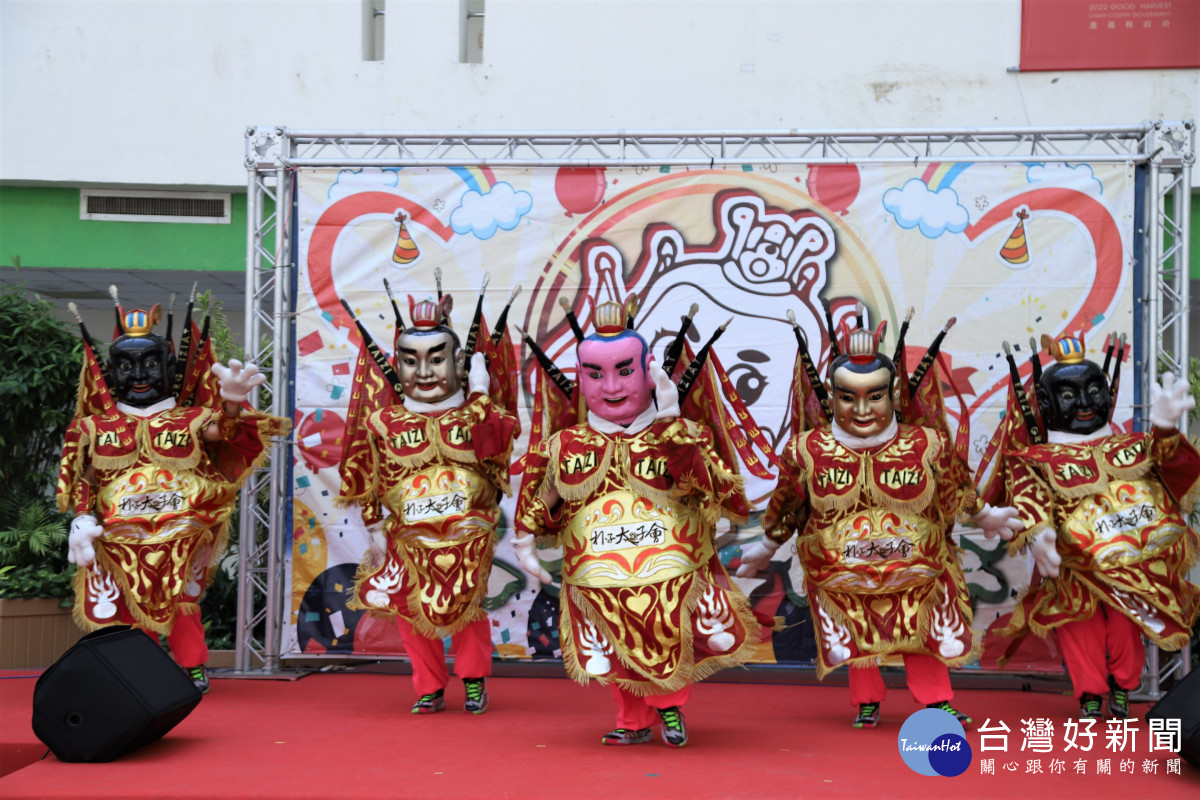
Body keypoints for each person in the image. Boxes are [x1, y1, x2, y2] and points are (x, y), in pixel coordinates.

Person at [740, 318, 1021, 728]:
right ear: (831, 397)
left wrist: (986, 515)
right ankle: (867, 701)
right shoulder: (809, 449)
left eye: (874, 396)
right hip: (844, 567)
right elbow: (789, 505)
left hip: (915, 565)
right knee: (856, 627)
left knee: (921, 629)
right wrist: (765, 547)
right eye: (847, 398)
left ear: (892, 394)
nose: (862, 410)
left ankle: (936, 700)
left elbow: (956, 489)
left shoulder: (925, 443)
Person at [512, 299, 762, 748]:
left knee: (667, 636)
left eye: (625, 371)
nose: (611, 386)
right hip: (598, 575)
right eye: (595, 373)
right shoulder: (568, 443)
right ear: (579, 375)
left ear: (650, 372)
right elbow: (546, 493)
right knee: (613, 648)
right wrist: (525, 540)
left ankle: (669, 710)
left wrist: (670, 423)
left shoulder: (680, 434)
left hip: (668, 572)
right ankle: (631, 720)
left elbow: (712, 487)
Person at [58, 300, 286, 693]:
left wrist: (231, 402)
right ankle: (141, 674)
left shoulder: (191, 418)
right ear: (111, 372)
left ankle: (193, 666)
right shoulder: (94, 427)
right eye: (126, 367)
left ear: (170, 367)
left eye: (150, 363)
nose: (139, 376)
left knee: (181, 604)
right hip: (120, 536)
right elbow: (86, 478)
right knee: (129, 605)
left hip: (181, 532)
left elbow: (226, 433)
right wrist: (81, 517)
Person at [996, 333, 1199, 718]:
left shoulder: (1136, 444)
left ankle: (1122, 686)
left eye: (1094, 389)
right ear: (1045, 403)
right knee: (1078, 624)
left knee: (1125, 625)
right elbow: (1027, 496)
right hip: (1074, 564)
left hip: (1129, 563)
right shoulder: (1034, 457)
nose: (1086, 403)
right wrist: (1039, 534)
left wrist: (1168, 433)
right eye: (1069, 395)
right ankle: (1089, 691)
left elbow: (1174, 475)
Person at [339, 295, 517, 715]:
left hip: (467, 535)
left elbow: (497, 448)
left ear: (459, 363)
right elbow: (368, 475)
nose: (423, 372)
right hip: (408, 536)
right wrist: (373, 526)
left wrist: (478, 394)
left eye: (436, 360)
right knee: (410, 610)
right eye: (410, 360)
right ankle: (428, 686)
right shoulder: (383, 422)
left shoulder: (479, 414)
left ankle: (474, 682)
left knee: (468, 604)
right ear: (397, 365)